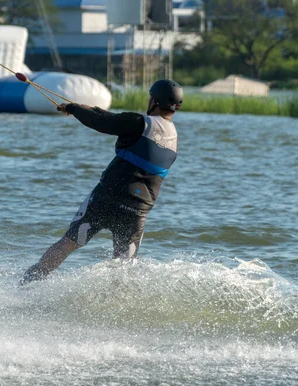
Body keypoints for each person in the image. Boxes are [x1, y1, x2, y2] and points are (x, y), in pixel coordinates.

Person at [20, 79, 183, 284]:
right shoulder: (174, 138)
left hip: (107, 198)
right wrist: (86, 108)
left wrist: (73, 108)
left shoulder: (139, 122)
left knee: (68, 243)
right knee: (124, 267)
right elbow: (113, 119)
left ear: (154, 101)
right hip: (137, 210)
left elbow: (103, 123)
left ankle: (27, 284)